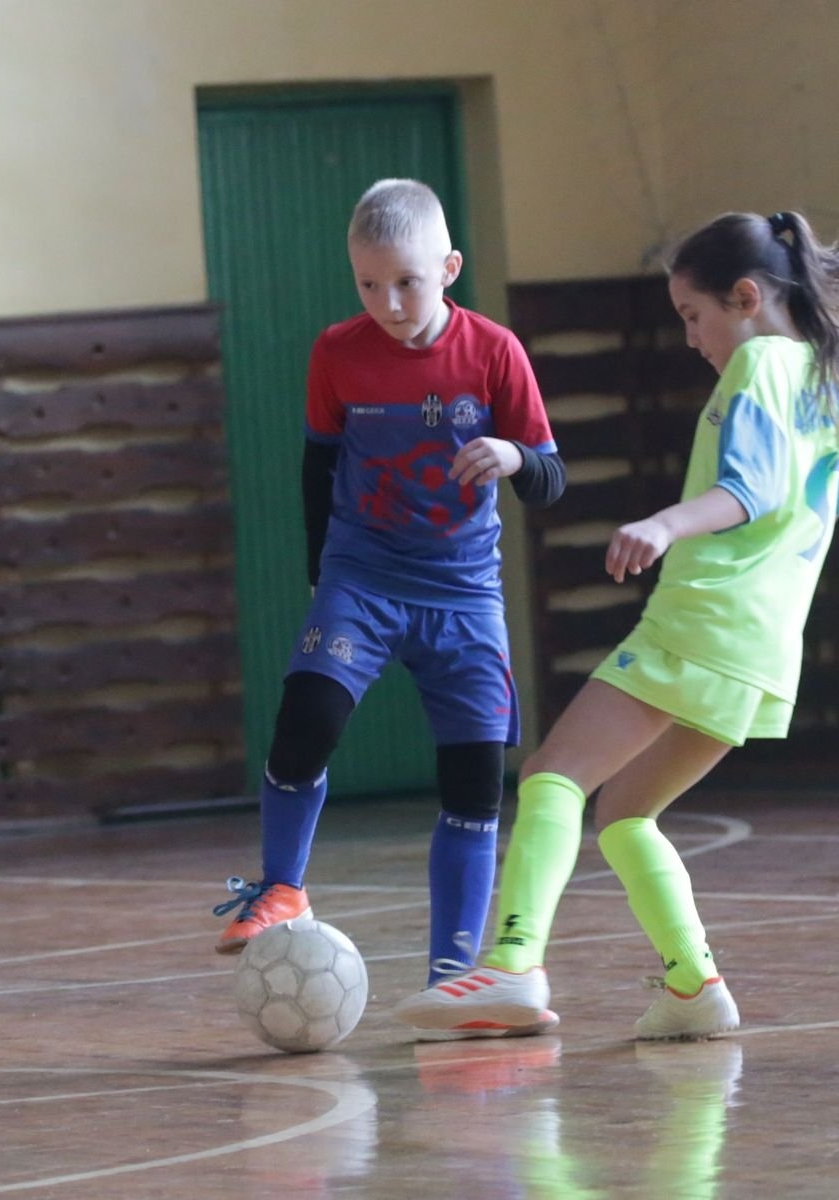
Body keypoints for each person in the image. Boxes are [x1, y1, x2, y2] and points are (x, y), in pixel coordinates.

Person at [394, 209, 839, 1040]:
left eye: (692, 315)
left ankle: (511, 965)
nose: (690, 339)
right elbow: (829, 500)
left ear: (745, 297)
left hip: (702, 621)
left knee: (551, 777)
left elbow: (750, 492)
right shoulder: (821, 385)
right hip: (764, 648)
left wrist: (664, 524)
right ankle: (692, 985)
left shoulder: (757, 362)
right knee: (624, 813)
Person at [213, 179, 566, 1040]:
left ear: (448, 267)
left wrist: (514, 456)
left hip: (463, 594)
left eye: (406, 282)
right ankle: (282, 886)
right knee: (307, 715)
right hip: (362, 577)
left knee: (474, 780)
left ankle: (454, 976)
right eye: (368, 285)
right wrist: (319, 577)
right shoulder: (337, 353)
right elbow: (316, 468)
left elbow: (550, 479)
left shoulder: (494, 353)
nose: (389, 304)